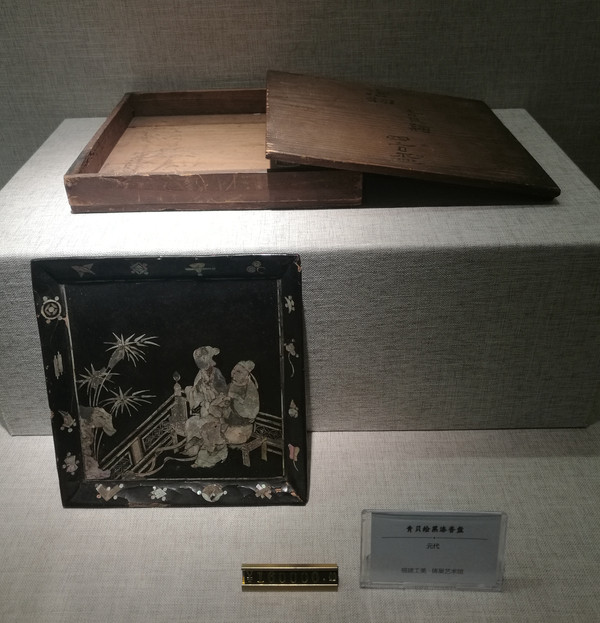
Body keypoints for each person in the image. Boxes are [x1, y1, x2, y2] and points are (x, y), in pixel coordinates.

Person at [183, 346, 229, 467]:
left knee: (204, 427)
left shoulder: (216, 372)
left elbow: (223, 390)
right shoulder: (200, 373)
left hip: (218, 409)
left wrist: (212, 390)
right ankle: (192, 451)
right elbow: (196, 392)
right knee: (190, 423)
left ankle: (206, 456)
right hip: (205, 408)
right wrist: (195, 389)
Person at [222, 360, 260, 445]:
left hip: (242, 429)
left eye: (239, 372)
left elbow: (250, 412)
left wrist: (235, 398)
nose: (233, 373)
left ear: (246, 376)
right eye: (234, 370)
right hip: (226, 423)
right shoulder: (230, 385)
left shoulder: (250, 390)